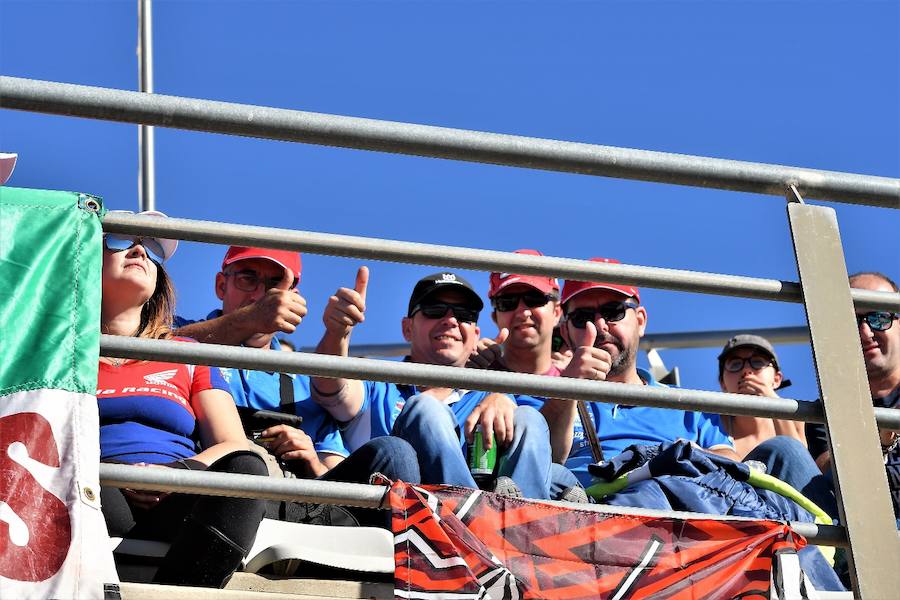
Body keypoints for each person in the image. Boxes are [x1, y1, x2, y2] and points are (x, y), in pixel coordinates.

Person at [173, 247, 420, 515]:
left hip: (295, 509)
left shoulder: (303, 377)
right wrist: (250, 318)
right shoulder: (173, 338)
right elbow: (145, 348)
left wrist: (311, 460)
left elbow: (332, 470)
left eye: (274, 283)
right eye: (248, 278)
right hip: (209, 498)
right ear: (221, 285)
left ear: (294, 297)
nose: (259, 295)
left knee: (394, 452)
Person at [96, 215, 267, 588]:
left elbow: (233, 444)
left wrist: (178, 475)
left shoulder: (188, 354)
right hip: (96, 490)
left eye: (153, 248)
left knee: (247, 469)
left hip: (178, 496)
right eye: (120, 240)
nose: (139, 249)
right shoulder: (62, 355)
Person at [311, 269, 566, 499]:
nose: (451, 320)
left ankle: (525, 532)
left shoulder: (489, 396)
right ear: (407, 328)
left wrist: (501, 392)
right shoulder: (380, 381)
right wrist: (337, 332)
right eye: (434, 309)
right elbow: (330, 383)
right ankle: (469, 522)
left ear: (475, 335)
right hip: (399, 529)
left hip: (498, 541)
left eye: (464, 315)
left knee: (528, 418)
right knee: (426, 408)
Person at [540, 257, 739, 486]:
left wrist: (690, 458)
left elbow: (732, 462)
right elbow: (540, 462)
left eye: (613, 311)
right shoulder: (544, 398)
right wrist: (568, 387)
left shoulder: (688, 405)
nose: (600, 325)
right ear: (565, 332)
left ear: (641, 321)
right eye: (582, 318)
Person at [806, 271, 900, 520]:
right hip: (863, 536)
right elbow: (832, 480)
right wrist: (880, 445)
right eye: (851, 321)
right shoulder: (827, 410)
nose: (865, 332)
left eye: (879, 317)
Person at [716, 334, 806, 459]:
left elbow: (798, 463)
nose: (746, 371)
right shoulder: (712, 424)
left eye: (757, 362)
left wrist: (772, 400)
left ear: (777, 379)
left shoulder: (797, 420)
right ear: (723, 384)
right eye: (735, 364)